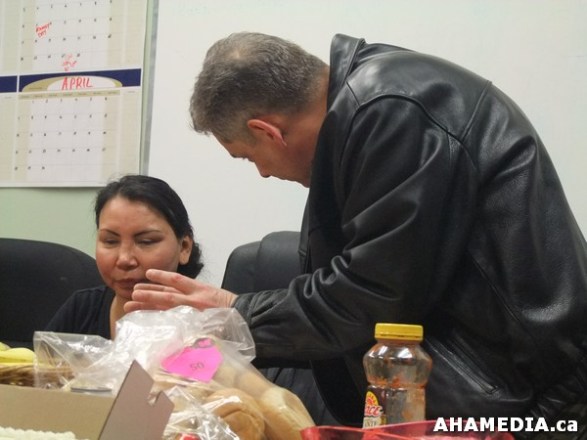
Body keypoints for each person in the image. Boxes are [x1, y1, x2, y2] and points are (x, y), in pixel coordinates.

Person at [125, 32, 587, 434]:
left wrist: (236, 312)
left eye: (248, 157)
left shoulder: (392, 111)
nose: (262, 173)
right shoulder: (368, 111)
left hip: (539, 402)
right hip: (499, 391)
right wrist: (223, 337)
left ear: (267, 132)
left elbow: (372, 296)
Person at [46, 174, 203, 339]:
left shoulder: (206, 322)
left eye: (146, 241)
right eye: (110, 241)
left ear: (184, 247)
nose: (124, 259)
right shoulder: (82, 309)